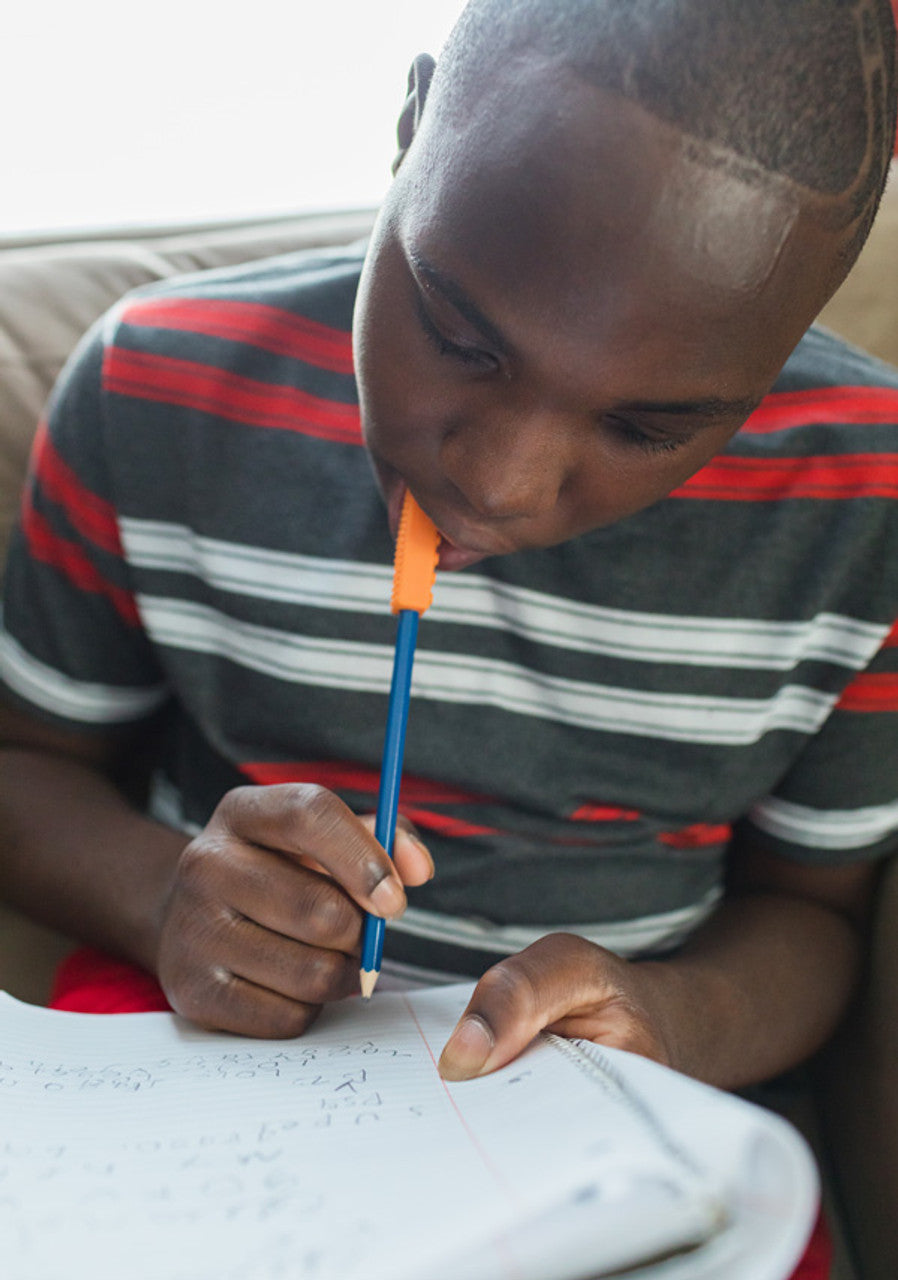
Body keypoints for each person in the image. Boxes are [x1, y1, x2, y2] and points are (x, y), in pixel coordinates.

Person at [0, 0, 897, 1158]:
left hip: (616, 1145)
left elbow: (815, 909)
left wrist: (672, 1019)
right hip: (195, 1085)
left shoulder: (866, 499)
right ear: (413, 121)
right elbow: (24, 769)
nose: (499, 483)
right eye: (462, 340)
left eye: (645, 424)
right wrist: (164, 892)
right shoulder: (154, 386)